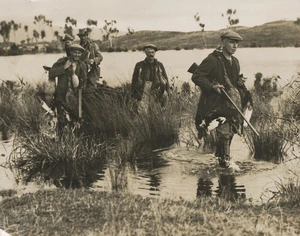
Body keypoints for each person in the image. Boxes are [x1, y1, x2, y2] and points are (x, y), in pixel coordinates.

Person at [191, 30, 252, 168]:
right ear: (223, 42)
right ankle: (226, 164)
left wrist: (239, 82)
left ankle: (221, 163)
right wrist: (212, 86)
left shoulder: (235, 62)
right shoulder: (212, 60)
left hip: (231, 105)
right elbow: (197, 76)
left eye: (237, 43)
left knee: (229, 134)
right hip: (216, 105)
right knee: (224, 134)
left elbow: (233, 81)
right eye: (231, 42)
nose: (235, 46)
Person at [48, 44, 88, 136]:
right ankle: (60, 139)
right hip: (61, 95)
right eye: (75, 53)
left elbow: (84, 80)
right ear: (70, 52)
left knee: (75, 119)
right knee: (61, 119)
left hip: (75, 97)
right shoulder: (62, 62)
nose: (77, 55)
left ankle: (74, 139)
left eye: (79, 53)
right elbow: (51, 73)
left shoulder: (82, 65)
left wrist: (80, 85)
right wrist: (64, 68)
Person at [131, 44, 169, 112]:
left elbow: (166, 80)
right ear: (145, 53)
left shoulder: (159, 65)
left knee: (156, 112)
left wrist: (167, 92)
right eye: (149, 52)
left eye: (152, 52)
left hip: (156, 90)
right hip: (143, 91)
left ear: (155, 53)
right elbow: (134, 80)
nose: (151, 54)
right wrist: (133, 94)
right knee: (142, 113)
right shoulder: (139, 65)